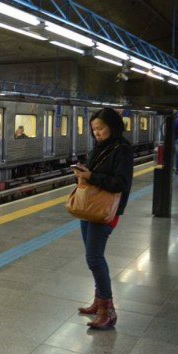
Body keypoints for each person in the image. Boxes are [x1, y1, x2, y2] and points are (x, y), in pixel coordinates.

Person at [71, 108, 133, 329]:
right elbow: (96, 175)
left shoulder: (122, 150)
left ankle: (108, 311)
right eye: (94, 129)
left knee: (94, 258)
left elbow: (120, 184)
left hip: (106, 211)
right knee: (93, 257)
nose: (96, 133)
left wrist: (91, 176)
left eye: (101, 128)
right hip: (89, 208)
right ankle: (99, 303)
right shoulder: (99, 147)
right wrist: (84, 172)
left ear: (113, 127)